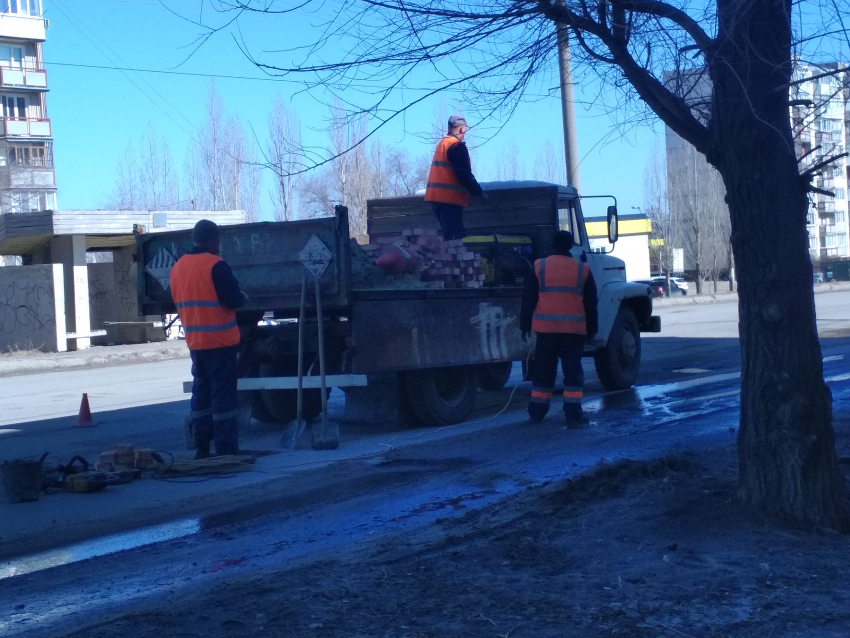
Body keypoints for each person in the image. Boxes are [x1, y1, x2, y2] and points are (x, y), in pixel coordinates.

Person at [170, 219, 248, 458]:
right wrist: (243, 296)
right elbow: (231, 299)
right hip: (221, 342)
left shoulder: (178, 268)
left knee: (201, 395)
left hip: (196, 343)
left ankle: (201, 447)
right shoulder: (216, 265)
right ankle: (227, 450)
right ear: (214, 241)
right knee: (223, 397)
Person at [520, 230, 598, 426]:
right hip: (573, 332)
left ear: (553, 245)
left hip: (546, 331)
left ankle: (536, 413)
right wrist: (592, 330)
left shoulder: (540, 266)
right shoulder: (583, 269)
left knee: (544, 373)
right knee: (572, 374)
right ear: (570, 246)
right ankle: (573, 415)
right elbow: (591, 304)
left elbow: (528, 299)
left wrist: (524, 325)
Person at [424, 114, 488, 240]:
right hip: (449, 199)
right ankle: (454, 260)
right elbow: (464, 174)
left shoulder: (443, 143)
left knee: (450, 236)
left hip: (437, 198)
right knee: (455, 239)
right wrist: (479, 192)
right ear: (461, 129)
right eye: (465, 129)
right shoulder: (456, 146)